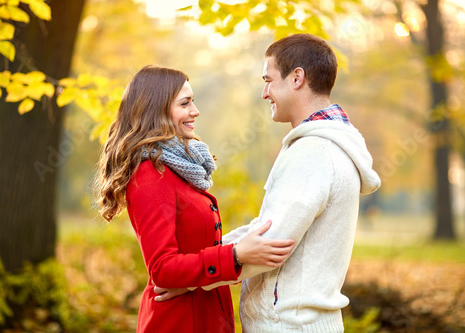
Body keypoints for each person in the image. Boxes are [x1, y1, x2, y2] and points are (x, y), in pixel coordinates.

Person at [159, 33, 381, 332]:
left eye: (269, 80)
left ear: (297, 78)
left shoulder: (314, 152)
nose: (265, 93)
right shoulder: (322, 146)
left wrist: (195, 279)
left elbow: (271, 244)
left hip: (290, 325)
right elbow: (266, 226)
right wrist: (194, 264)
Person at [94, 65, 295, 333]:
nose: (195, 110)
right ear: (158, 109)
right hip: (180, 321)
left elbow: (198, 245)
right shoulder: (151, 173)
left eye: (193, 101)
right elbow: (162, 269)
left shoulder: (178, 166)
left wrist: (238, 250)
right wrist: (235, 254)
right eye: (185, 103)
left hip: (207, 313)